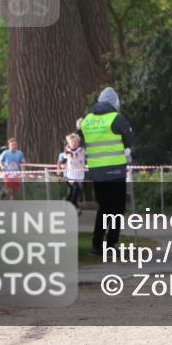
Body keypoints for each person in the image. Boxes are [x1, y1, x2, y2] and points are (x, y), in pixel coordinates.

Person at [79, 87, 133, 255]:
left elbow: (79, 141)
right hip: (115, 171)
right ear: (115, 103)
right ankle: (110, 245)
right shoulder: (116, 118)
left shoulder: (87, 120)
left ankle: (96, 245)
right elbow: (129, 141)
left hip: (97, 172)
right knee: (117, 209)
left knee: (103, 208)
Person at [57, 131, 86, 213]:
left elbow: (86, 158)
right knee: (74, 188)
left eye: (75, 142)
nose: (74, 143)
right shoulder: (66, 152)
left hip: (79, 174)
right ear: (69, 143)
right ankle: (72, 206)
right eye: (72, 142)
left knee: (77, 190)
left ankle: (68, 204)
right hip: (69, 175)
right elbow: (61, 161)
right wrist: (60, 167)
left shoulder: (81, 150)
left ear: (78, 143)